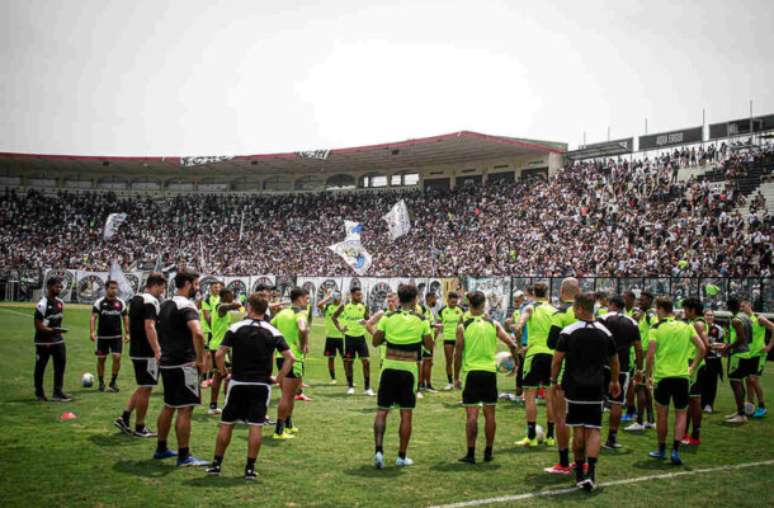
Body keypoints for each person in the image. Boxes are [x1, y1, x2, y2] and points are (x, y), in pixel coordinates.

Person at [205, 294, 295, 480]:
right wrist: (278, 378)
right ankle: (249, 469)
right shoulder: (272, 330)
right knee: (256, 426)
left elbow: (220, 354)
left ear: (250, 308)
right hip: (261, 385)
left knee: (227, 424)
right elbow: (290, 358)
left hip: (238, 382)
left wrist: (224, 373)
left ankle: (216, 464)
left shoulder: (236, 327)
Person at [552, 292, 620, 492]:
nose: (572, 310)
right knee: (594, 429)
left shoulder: (568, 331)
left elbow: (557, 360)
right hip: (596, 386)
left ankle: (580, 474)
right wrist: (615, 381)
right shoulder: (605, 332)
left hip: (574, 387)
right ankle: (591, 473)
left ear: (581, 308)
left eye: (574, 307)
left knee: (578, 431)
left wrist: (552, 380)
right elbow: (614, 360)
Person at [371, 284, 434, 469]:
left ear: (399, 298)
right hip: (409, 370)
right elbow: (429, 346)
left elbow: (375, 342)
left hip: (389, 367)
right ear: (415, 299)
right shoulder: (421, 319)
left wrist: (386, 335)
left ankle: (379, 451)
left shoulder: (388, 317)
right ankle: (401, 456)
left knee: (382, 410)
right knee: (406, 414)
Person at [453, 291, 518, 464]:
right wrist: (516, 364)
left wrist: (455, 377)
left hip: (472, 373)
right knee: (490, 414)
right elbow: (512, 344)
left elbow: (457, 354)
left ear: (469, 304)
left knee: (472, 415)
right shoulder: (494, 324)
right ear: (484, 304)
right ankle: (488, 452)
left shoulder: (463, 326)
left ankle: (471, 454)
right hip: (490, 373)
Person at [154, 271, 208, 467]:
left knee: (169, 405)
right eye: (195, 284)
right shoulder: (186, 305)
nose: (198, 288)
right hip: (185, 363)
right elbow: (198, 334)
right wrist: (201, 359)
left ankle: (161, 448)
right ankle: (184, 455)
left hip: (167, 362)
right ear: (187, 284)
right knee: (185, 409)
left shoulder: (165, 304)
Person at [646, 296, 705, 465]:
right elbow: (702, 348)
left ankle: (661, 449)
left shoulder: (656, 328)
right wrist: (692, 368)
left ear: (660, 309)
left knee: (662, 415)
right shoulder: (686, 326)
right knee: (681, 414)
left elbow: (650, 356)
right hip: (682, 377)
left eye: (657, 309)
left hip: (662, 377)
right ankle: (676, 451)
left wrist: (648, 376)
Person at [115, 272, 166, 437]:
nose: (162, 292)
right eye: (162, 288)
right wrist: (157, 350)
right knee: (146, 388)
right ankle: (140, 426)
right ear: (155, 285)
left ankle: (124, 416)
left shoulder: (136, 298)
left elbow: (130, 320)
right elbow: (149, 326)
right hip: (147, 352)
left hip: (137, 350)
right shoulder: (151, 301)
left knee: (143, 386)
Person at [513, 282, 557, 450]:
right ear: (546, 293)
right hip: (552, 355)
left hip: (534, 354)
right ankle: (551, 437)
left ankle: (531, 436)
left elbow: (518, 327)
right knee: (549, 396)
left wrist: (519, 347)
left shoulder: (530, 308)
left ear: (532, 293)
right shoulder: (554, 310)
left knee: (530, 395)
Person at [543, 277, 580, 475]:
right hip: (590, 373)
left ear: (562, 290)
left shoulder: (562, 314)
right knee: (583, 421)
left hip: (567, 373)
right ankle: (582, 463)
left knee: (562, 417)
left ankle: (564, 463)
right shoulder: (591, 314)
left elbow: (552, 343)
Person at [598, 295, 642, 449]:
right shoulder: (632, 322)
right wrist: (640, 369)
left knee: (597, 399)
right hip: (622, 367)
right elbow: (638, 347)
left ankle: (593, 434)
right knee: (617, 402)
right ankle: (612, 438)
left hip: (602, 364)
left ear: (611, 304)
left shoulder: (603, 318)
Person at [271, 287, 310, 439]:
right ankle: (279, 431)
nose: (307, 301)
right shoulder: (300, 313)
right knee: (287, 396)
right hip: (294, 358)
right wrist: (303, 344)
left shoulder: (282, 313)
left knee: (290, 394)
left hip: (281, 356)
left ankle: (288, 424)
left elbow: (271, 326)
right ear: (299, 299)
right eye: (306, 298)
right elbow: (302, 328)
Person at [33, 277, 70, 401]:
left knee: (61, 365)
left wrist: (57, 331)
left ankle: (57, 392)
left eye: (60, 286)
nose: (59, 288)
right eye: (56, 286)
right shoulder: (42, 304)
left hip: (58, 340)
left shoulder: (60, 302)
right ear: (49, 287)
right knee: (41, 367)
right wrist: (52, 330)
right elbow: (38, 325)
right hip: (43, 341)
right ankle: (39, 393)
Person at [207, 288, 243, 415]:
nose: (232, 296)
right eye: (231, 295)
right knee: (228, 376)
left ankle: (213, 405)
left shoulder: (220, 309)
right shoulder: (220, 306)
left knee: (218, 376)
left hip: (221, 347)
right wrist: (235, 305)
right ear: (225, 295)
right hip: (219, 348)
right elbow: (230, 306)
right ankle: (229, 406)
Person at [719, 296, 755, 423]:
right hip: (746, 353)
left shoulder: (736, 320)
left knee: (735, 384)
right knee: (739, 382)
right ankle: (741, 411)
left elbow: (741, 338)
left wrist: (727, 347)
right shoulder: (746, 317)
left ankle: (741, 414)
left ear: (729, 307)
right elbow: (749, 338)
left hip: (737, 355)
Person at [626, 291, 657, 431]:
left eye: (643, 300)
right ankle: (650, 420)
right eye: (640, 300)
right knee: (646, 388)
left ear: (650, 301)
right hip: (642, 356)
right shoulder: (644, 315)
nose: (640, 302)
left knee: (639, 388)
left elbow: (655, 330)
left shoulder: (651, 315)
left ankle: (639, 421)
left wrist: (647, 352)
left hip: (644, 356)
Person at [332, 288, 373, 396]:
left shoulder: (364, 306)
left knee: (366, 362)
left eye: (361, 295)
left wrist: (366, 321)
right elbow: (334, 317)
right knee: (349, 362)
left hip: (361, 338)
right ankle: (350, 386)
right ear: (352, 295)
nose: (360, 297)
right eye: (357, 295)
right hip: (349, 338)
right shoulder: (345, 306)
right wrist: (340, 328)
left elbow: (368, 320)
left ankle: (367, 388)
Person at [90, 280, 129, 392]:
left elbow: (125, 317)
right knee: (101, 360)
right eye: (112, 288)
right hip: (102, 337)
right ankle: (101, 383)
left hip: (116, 337)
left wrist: (127, 333)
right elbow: (93, 317)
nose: (114, 290)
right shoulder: (99, 302)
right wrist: (92, 332)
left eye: (115, 288)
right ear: (106, 289)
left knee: (117, 358)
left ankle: (113, 382)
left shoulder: (121, 302)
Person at [681, 298, 710, 446]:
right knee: (689, 400)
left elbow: (705, 346)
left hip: (695, 365)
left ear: (692, 310)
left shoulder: (698, 323)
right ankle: (686, 434)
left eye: (686, 309)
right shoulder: (695, 323)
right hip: (693, 363)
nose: (684, 312)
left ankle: (694, 435)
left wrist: (693, 366)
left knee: (694, 400)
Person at [742, 298, 774, 418]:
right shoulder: (744, 320)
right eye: (740, 307)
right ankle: (750, 407)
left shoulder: (759, 318)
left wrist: (769, 346)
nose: (742, 309)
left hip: (758, 355)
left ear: (749, 306)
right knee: (748, 381)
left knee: (753, 380)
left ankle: (762, 406)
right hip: (748, 354)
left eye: (743, 306)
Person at [437, 292, 465, 391]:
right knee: (449, 361)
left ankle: (457, 380)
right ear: (447, 300)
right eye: (452, 301)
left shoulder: (461, 310)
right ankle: (449, 383)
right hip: (448, 338)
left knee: (459, 360)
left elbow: (465, 323)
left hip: (459, 338)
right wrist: (435, 337)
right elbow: (439, 324)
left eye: (455, 301)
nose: (454, 303)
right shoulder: (442, 311)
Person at [699, 309, 724, 413]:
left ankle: (709, 404)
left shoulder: (718, 329)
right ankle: (702, 404)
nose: (709, 317)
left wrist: (711, 345)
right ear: (703, 316)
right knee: (701, 383)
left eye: (711, 315)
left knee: (712, 384)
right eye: (707, 315)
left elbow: (723, 345)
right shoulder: (699, 327)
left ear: (713, 317)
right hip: (701, 359)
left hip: (713, 360)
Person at [199, 280, 222, 387]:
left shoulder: (221, 299)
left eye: (218, 287)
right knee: (207, 355)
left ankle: (211, 378)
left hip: (217, 332)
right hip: (208, 331)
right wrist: (213, 328)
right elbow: (207, 317)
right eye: (215, 287)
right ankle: (204, 378)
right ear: (210, 288)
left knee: (214, 355)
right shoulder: (207, 300)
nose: (217, 289)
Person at [318, 290, 344, 384]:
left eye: (338, 295)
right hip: (330, 337)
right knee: (331, 358)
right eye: (336, 295)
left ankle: (349, 379)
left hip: (342, 337)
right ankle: (333, 378)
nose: (337, 297)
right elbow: (319, 305)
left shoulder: (343, 308)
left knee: (346, 359)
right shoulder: (329, 306)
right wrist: (329, 297)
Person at [621, 290, 639, 422]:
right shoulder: (624, 313)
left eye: (625, 298)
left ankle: (631, 410)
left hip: (633, 354)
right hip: (628, 353)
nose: (623, 300)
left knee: (631, 384)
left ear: (632, 300)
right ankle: (630, 406)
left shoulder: (635, 313)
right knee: (629, 383)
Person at [418, 292, 438, 393]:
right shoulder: (423, 309)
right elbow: (423, 324)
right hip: (425, 340)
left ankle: (423, 384)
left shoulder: (430, 310)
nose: (436, 300)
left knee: (427, 362)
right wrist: (435, 326)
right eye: (434, 298)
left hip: (429, 339)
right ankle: (425, 385)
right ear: (429, 298)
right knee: (426, 362)